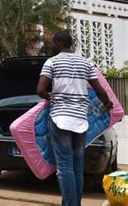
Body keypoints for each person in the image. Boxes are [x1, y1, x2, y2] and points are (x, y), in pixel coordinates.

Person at [36, 30, 113, 206]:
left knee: (64, 168)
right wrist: (108, 104)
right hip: (81, 121)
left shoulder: (52, 62)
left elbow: (40, 90)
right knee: (77, 166)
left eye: (52, 43)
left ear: (57, 43)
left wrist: (52, 97)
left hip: (60, 119)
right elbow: (99, 89)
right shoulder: (86, 63)